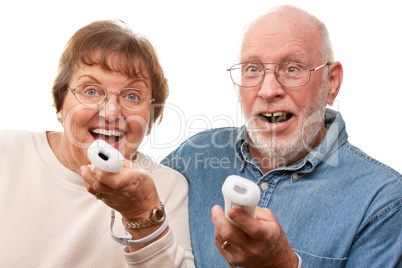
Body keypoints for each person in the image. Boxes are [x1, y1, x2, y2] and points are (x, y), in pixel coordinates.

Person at [162, 5, 402, 268]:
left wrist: (282, 264)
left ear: (331, 82)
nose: (268, 90)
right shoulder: (192, 157)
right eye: (252, 69)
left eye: (291, 69)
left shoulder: (384, 200)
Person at [0, 20, 194, 267]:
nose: (111, 112)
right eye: (91, 91)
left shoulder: (168, 187)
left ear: (151, 117)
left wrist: (143, 215)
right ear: (61, 102)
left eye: (132, 96)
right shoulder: (5, 154)